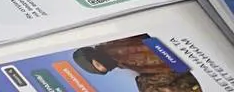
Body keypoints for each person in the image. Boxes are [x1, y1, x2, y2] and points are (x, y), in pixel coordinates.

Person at [72, 37, 202, 92]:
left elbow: (164, 60)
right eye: (102, 70)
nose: (104, 67)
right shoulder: (119, 57)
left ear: (94, 55)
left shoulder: (117, 51)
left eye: (98, 64)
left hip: (189, 54)